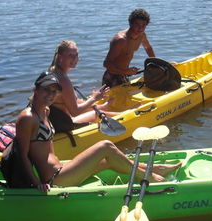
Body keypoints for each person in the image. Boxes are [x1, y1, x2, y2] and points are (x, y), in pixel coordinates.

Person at [10, 72, 180, 193]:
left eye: (54, 91)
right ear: (36, 89)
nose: (51, 95)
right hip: (55, 178)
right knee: (105, 146)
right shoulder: (27, 117)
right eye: (46, 89)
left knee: (109, 160)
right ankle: (151, 178)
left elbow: (48, 149)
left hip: (61, 167)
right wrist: (37, 183)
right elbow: (22, 154)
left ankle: (155, 168)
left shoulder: (45, 111)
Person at [48, 40, 115, 133]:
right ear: (60, 57)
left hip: (55, 119)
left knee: (94, 108)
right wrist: (94, 99)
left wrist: (92, 100)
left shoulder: (53, 71)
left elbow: (71, 101)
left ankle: (103, 106)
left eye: (76, 55)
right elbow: (74, 112)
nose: (75, 59)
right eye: (70, 56)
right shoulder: (63, 80)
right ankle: (128, 114)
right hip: (63, 124)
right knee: (96, 114)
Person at [102, 8, 155, 87]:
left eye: (143, 25)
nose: (140, 28)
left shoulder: (142, 35)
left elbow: (148, 48)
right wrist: (126, 71)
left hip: (124, 74)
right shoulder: (121, 40)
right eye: (137, 25)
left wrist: (156, 63)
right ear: (131, 23)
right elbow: (107, 63)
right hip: (112, 76)